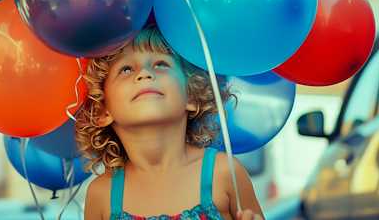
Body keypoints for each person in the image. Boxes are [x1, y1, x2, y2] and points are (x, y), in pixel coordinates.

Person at [75, 24, 265, 220]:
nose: (145, 73)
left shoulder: (224, 171)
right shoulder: (100, 194)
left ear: (191, 96)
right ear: (102, 111)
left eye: (160, 64)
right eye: (126, 69)